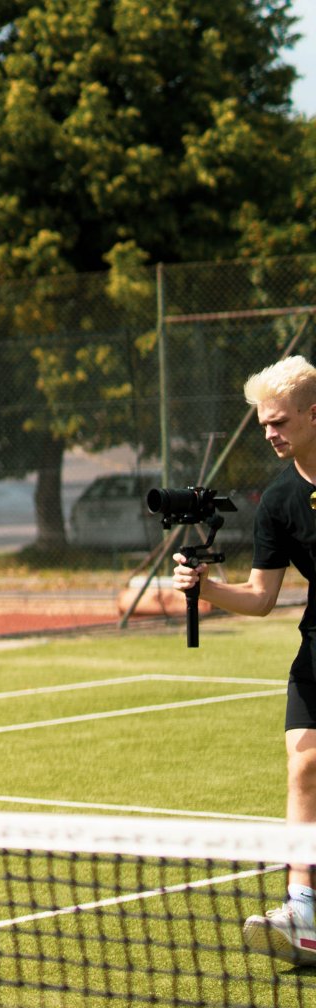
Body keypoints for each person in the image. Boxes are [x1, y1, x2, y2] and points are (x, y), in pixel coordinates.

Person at [173, 355, 316, 966]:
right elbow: (260, 598)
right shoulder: (280, 500)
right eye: (262, 424)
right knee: (303, 761)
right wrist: (203, 589)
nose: (270, 432)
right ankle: (304, 908)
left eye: (280, 420)